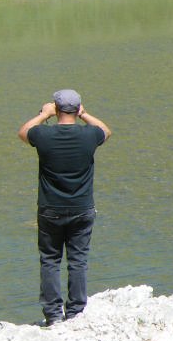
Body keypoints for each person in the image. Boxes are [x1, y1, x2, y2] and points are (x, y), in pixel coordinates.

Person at [18, 89, 111, 325]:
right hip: (82, 208)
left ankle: (52, 315)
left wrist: (43, 115)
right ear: (77, 109)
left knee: (50, 260)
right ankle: (76, 313)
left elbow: (23, 132)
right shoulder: (89, 135)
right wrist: (85, 115)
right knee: (78, 260)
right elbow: (106, 131)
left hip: (50, 209)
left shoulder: (43, 135)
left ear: (56, 109)